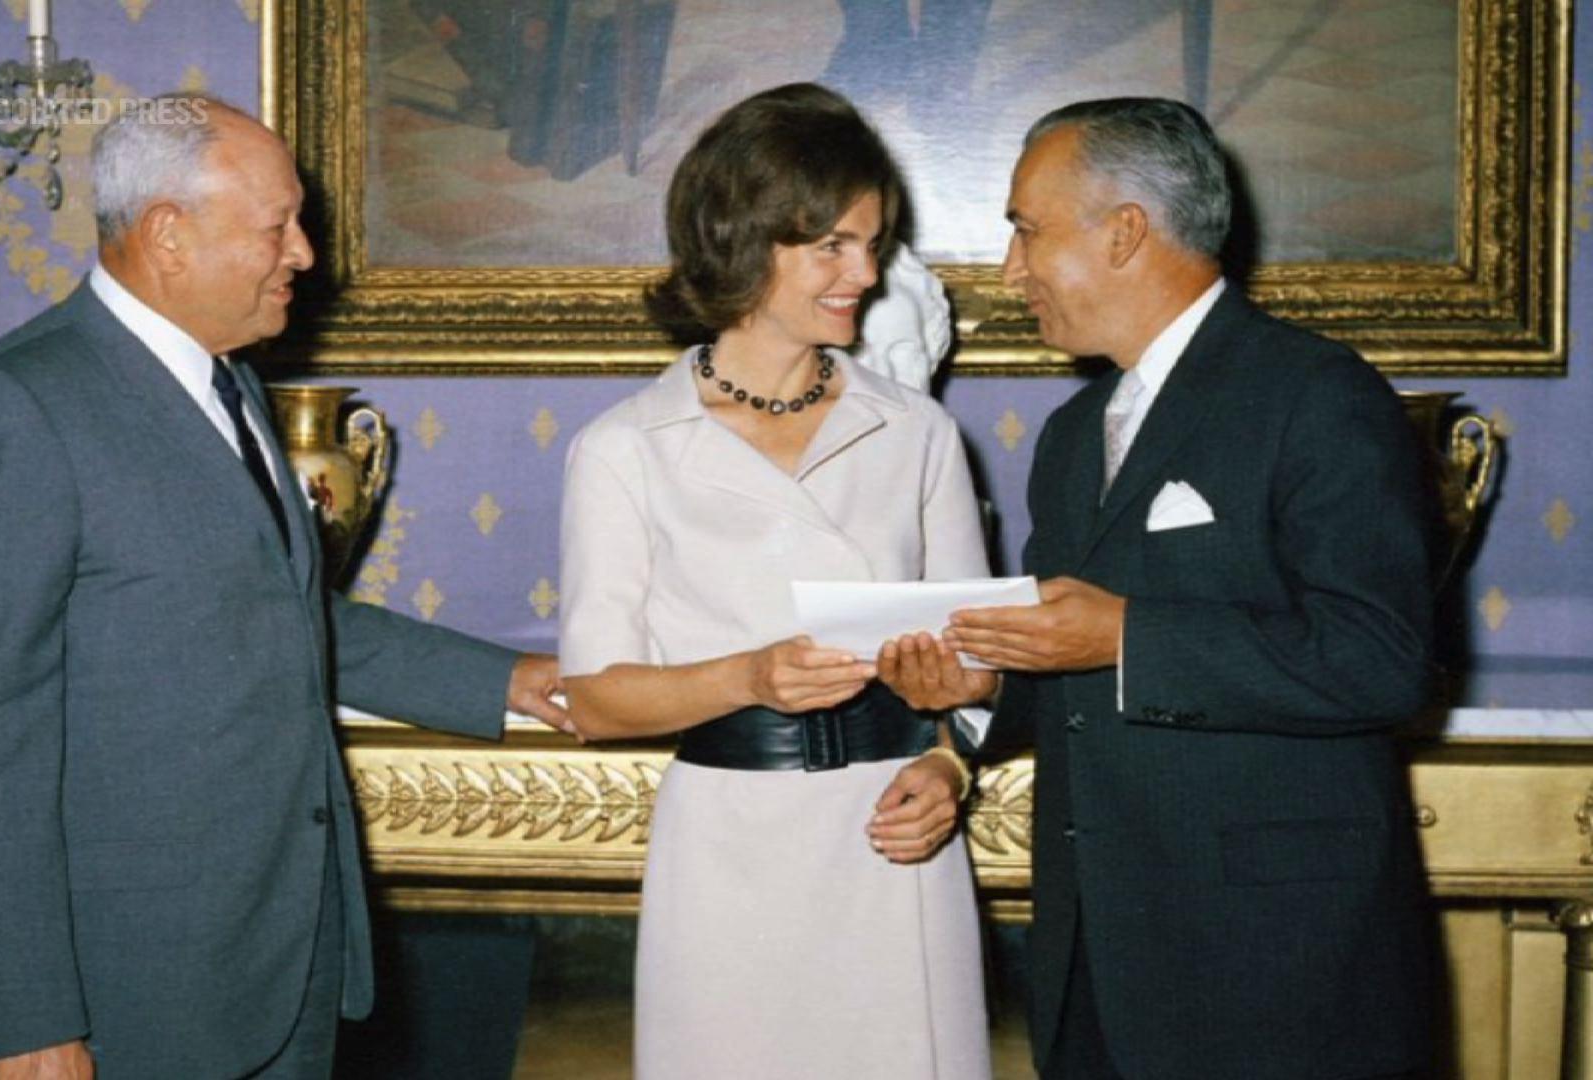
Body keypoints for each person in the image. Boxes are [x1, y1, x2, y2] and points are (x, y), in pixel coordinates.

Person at [0, 93, 568, 1080]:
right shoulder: (21, 407)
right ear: (169, 235)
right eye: (277, 225)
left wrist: (505, 680)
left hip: (265, 977)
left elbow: (280, 617)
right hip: (109, 1008)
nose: (304, 255)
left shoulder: (224, 383)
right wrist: (27, 1021)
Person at [948, 97, 1437, 1079]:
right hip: (1098, 963)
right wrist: (978, 693)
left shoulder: (1318, 396)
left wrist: (1128, 636)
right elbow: (1074, 677)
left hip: (1275, 973)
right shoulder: (1075, 432)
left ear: (1125, 230)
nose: (1010, 271)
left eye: (1026, 231)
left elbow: (1382, 662)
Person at [558, 82, 995, 1079]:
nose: (866, 274)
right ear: (745, 241)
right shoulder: (626, 449)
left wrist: (949, 767)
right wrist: (748, 677)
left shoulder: (919, 433)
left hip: (896, 845)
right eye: (832, 246)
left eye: (871, 243)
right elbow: (595, 696)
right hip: (731, 857)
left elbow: (980, 664)